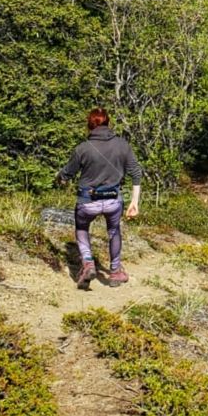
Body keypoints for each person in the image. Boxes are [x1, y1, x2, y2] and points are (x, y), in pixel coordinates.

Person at [57, 108, 143, 289]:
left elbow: (67, 174)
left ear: (90, 125)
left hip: (87, 201)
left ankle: (88, 263)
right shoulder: (122, 145)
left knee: (82, 229)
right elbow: (136, 172)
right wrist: (134, 202)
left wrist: (60, 180)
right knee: (113, 231)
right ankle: (115, 272)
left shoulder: (82, 148)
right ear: (108, 123)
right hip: (113, 200)